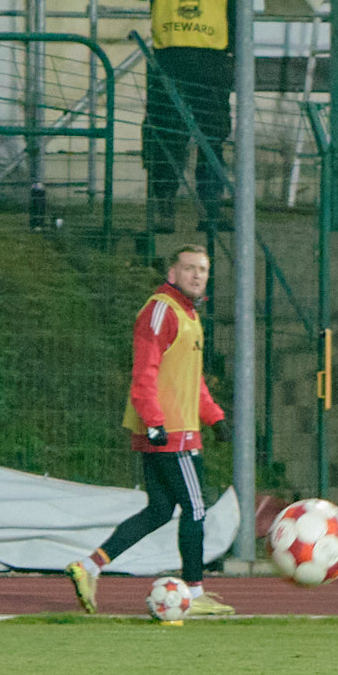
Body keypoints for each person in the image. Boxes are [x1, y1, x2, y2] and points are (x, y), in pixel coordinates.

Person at [66, 244, 232, 617]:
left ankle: (89, 566)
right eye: (189, 268)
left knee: (159, 510)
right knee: (196, 508)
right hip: (171, 432)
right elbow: (145, 371)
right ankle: (195, 592)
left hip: (175, 428)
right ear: (172, 273)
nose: (197, 275)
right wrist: (155, 422)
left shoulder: (189, 314)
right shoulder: (161, 310)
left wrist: (215, 417)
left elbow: (190, 379)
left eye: (203, 269)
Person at [129, 0, 234, 234]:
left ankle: (211, 208)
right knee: (166, 137)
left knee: (212, 137)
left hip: (211, 64)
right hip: (169, 63)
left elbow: (235, 14)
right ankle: (164, 208)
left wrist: (231, 59)